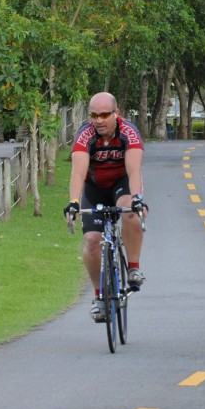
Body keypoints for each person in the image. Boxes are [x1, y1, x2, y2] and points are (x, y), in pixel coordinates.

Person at [63, 92, 147, 322]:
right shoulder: (85, 135)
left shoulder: (128, 132)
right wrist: (73, 202)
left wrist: (138, 198)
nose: (98, 120)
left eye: (104, 115)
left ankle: (133, 267)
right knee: (91, 240)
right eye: (93, 115)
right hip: (95, 188)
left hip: (121, 185)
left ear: (116, 114)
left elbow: (133, 170)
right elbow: (78, 172)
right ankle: (100, 296)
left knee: (131, 211)